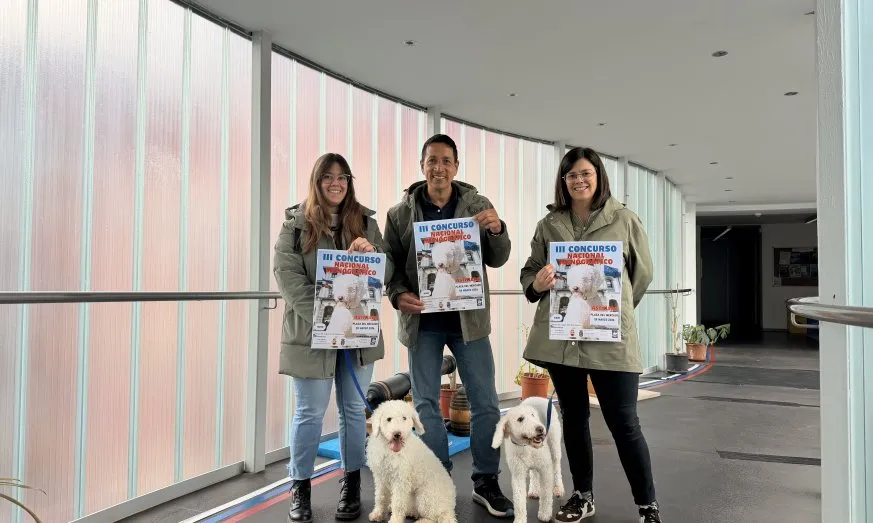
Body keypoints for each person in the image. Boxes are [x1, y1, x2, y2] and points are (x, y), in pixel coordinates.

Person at [519, 147, 663, 523]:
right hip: (563, 339)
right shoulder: (549, 225)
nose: (579, 181)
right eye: (571, 175)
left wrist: (614, 311)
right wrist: (538, 282)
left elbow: (642, 274)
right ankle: (583, 496)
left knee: (624, 423)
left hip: (610, 340)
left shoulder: (624, 219)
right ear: (563, 181)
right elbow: (530, 271)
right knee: (575, 418)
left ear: (598, 176)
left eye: (586, 173)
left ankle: (648, 505)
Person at [382, 134, 515, 518]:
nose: (438, 168)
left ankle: (486, 481)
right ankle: (435, 481)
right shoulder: (399, 214)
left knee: (485, 402)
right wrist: (397, 295)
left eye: (446, 161)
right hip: (422, 324)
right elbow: (390, 267)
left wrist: (497, 230)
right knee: (425, 406)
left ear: (456, 166)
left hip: (468, 322)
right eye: (432, 160)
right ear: (421, 165)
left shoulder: (478, 205)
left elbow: (499, 258)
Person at [274, 152, 392, 523]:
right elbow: (288, 278)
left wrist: (373, 254)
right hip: (311, 336)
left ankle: (351, 483)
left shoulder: (367, 224)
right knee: (309, 413)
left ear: (349, 182)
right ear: (317, 181)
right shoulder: (295, 226)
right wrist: (327, 316)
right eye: (328, 176)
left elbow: (386, 273)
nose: (335, 183)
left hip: (358, 336)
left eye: (342, 177)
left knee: (354, 411)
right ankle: (300, 486)